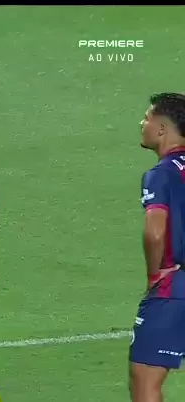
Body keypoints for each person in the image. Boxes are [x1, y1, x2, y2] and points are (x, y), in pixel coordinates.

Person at [129, 92, 185, 402]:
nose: (142, 123)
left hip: (175, 289)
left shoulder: (161, 174)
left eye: (147, 118)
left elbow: (154, 232)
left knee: (145, 383)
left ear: (162, 129)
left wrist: (155, 274)